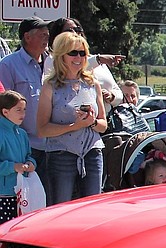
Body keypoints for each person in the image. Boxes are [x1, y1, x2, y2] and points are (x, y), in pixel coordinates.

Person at [38, 32, 107, 205]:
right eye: (73, 53)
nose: (79, 57)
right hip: (61, 155)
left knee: (91, 208)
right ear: (62, 55)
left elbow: (103, 125)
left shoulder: (93, 84)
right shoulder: (50, 86)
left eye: (82, 53)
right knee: (60, 209)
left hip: (92, 153)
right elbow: (42, 129)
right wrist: (74, 125)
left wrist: (91, 122)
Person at [0, 17, 51, 172]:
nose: (47, 38)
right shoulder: (8, 65)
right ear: (27, 37)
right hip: (26, 147)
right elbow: (4, 105)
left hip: (57, 146)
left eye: (47, 34)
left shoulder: (54, 63)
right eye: (42, 35)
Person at [0, 91, 36, 223]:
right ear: (5, 112)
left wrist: (31, 163)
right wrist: (13, 167)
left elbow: (29, 155)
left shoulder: (22, 134)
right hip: (3, 194)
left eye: (24, 110)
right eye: (18, 110)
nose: (23, 114)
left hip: (22, 192)